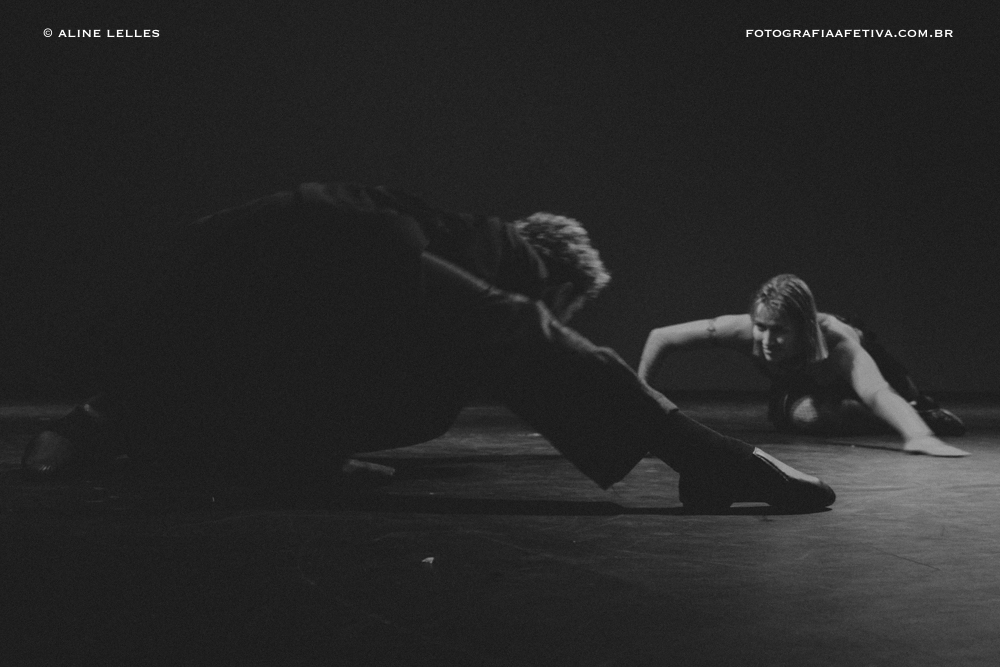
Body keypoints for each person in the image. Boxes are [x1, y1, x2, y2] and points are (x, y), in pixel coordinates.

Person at [22, 184, 835, 511]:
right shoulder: (480, 255)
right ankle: (707, 455)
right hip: (246, 287)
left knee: (435, 386)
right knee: (488, 341)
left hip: (219, 314)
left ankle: (121, 422)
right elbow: (511, 327)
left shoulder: (426, 255)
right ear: (550, 271)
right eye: (562, 301)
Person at [638, 273, 968, 457]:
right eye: (761, 327)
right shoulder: (742, 330)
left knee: (897, 396)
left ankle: (921, 412)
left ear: (804, 329)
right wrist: (640, 408)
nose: (766, 341)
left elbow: (878, 391)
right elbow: (660, 338)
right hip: (801, 380)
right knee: (805, 416)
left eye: (779, 331)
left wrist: (918, 436)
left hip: (861, 361)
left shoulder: (840, 345)